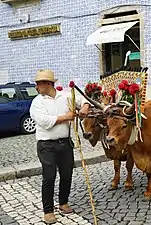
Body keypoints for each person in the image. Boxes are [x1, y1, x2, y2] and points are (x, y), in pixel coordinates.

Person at [30, 69, 90, 224]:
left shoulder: (65, 97)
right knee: (49, 176)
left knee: (66, 174)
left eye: (39, 83)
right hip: (46, 145)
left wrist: (84, 107)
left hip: (64, 143)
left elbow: (82, 99)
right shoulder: (37, 102)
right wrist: (66, 117)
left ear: (48, 83)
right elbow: (44, 121)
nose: (37, 86)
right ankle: (48, 211)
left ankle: (63, 202)